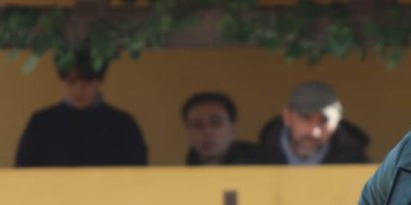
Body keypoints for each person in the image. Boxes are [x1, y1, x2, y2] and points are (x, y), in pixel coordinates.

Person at [15, 50, 148, 168]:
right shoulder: (41, 124)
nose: (79, 90)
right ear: (62, 80)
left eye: (88, 81)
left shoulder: (122, 125)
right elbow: (24, 172)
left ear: (100, 80)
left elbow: (137, 175)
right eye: (72, 81)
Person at [258, 80, 370, 165]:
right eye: (305, 117)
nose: (314, 132)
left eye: (324, 121)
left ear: (336, 123)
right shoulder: (256, 160)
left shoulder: (356, 165)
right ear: (287, 116)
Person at [181, 91, 262, 165]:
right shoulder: (184, 174)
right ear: (188, 132)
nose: (207, 131)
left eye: (216, 123)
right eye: (197, 125)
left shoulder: (263, 165)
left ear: (233, 129)